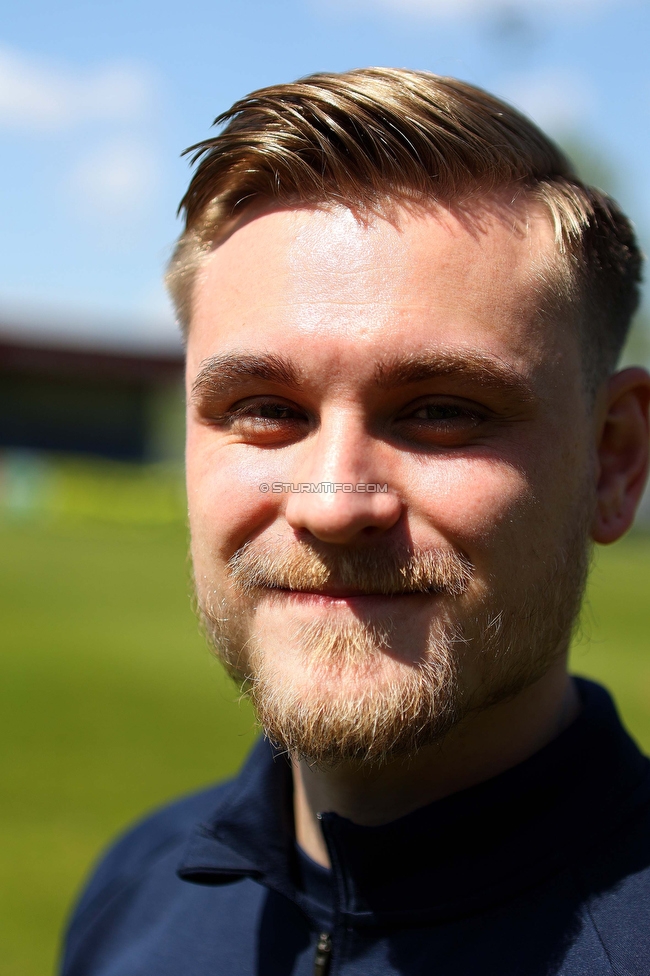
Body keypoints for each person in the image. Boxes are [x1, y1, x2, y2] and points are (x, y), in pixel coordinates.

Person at [61, 68, 650, 976]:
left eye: (443, 410)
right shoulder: (135, 889)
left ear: (614, 461)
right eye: (264, 408)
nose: (333, 505)